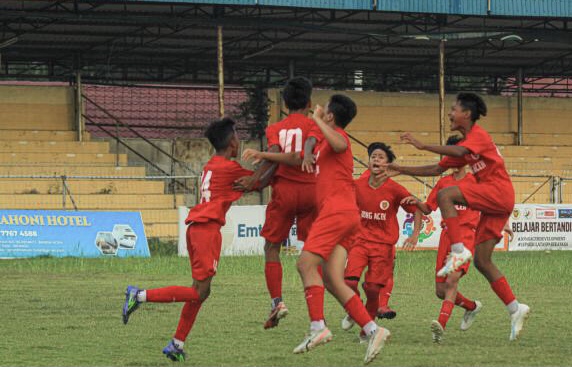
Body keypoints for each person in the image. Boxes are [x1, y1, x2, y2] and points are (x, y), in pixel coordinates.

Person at [243, 94, 390, 364]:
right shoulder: (323, 143)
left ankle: (317, 327)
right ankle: (373, 330)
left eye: (325, 113)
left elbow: (337, 140)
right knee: (333, 281)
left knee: (305, 264)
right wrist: (263, 154)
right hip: (345, 217)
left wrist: (317, 121)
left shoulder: (339, 139)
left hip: (336, 213)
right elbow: (294, 156)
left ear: (331, 117)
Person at [381, 92, 530, 341]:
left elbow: (460, 150)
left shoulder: (478, 137)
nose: (450, 113)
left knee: (446, 194)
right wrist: (401, 168)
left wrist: (423, 145)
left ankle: (459, 250)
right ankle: (515, 308)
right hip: (496, 202)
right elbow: (437, 168)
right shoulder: (464, 149)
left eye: (453, 109)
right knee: (483, 261)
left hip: (499, 193)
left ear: (467, 114)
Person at [122, 118, 256, 361]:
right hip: (206, 230)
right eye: (236, 135)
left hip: (198, 227)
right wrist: (278, 159)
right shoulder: (228, 167)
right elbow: (260, 181)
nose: (239, 140)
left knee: (199, 291)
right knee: (199, 292)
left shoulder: (212, 165)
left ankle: (177, 343)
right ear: (231, 142)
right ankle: (139, 295)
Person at [235, 77, 318, 329]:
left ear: (284, 103)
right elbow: (311, 151)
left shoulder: (275, 128)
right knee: (313, 252)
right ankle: (317, 306)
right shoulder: (314, 126)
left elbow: (271, 160)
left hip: (284, 192)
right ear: (310, 102)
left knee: (271, 248)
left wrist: (255, 180)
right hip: (312, 191)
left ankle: (277, 302)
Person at [402, 135, 482, 343]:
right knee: (440, 290)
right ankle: (472, 307)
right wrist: (417, 202)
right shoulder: (443, 182)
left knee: (452, 279)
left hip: (465, 236)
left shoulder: (476, 181)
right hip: (447, 236)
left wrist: (503, 223)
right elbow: (428, 209)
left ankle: (440, 327)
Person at [341, 142, 422, 341]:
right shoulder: (357, 185)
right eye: (373, 156)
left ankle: (365, 331)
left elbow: (417, 209)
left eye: (381, 157)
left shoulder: (395, 189)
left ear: (388, 165)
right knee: (348, 281)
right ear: (368, 161)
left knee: (373, 289)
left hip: (383, 247)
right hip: (359, 242)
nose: (376, 159)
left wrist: (414, 234)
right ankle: (354, 308)